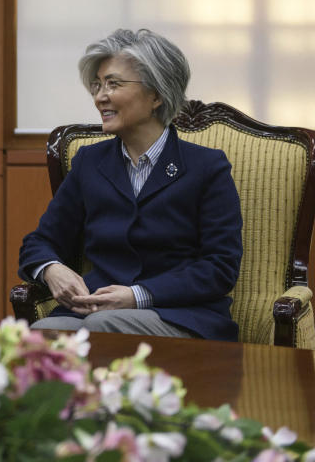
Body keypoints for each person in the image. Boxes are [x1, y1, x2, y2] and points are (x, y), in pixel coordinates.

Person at [18, 29, 243, 341]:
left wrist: (137, 295)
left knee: (103, 329)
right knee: (40, 335)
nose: (100, 97)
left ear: (156, 95)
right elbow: (39, 242)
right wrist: (51, 269)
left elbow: (220, 268)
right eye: (97, 86)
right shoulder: (89, 162)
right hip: (96, 311)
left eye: (113, 84)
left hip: (181, 315)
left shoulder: (207, 167)